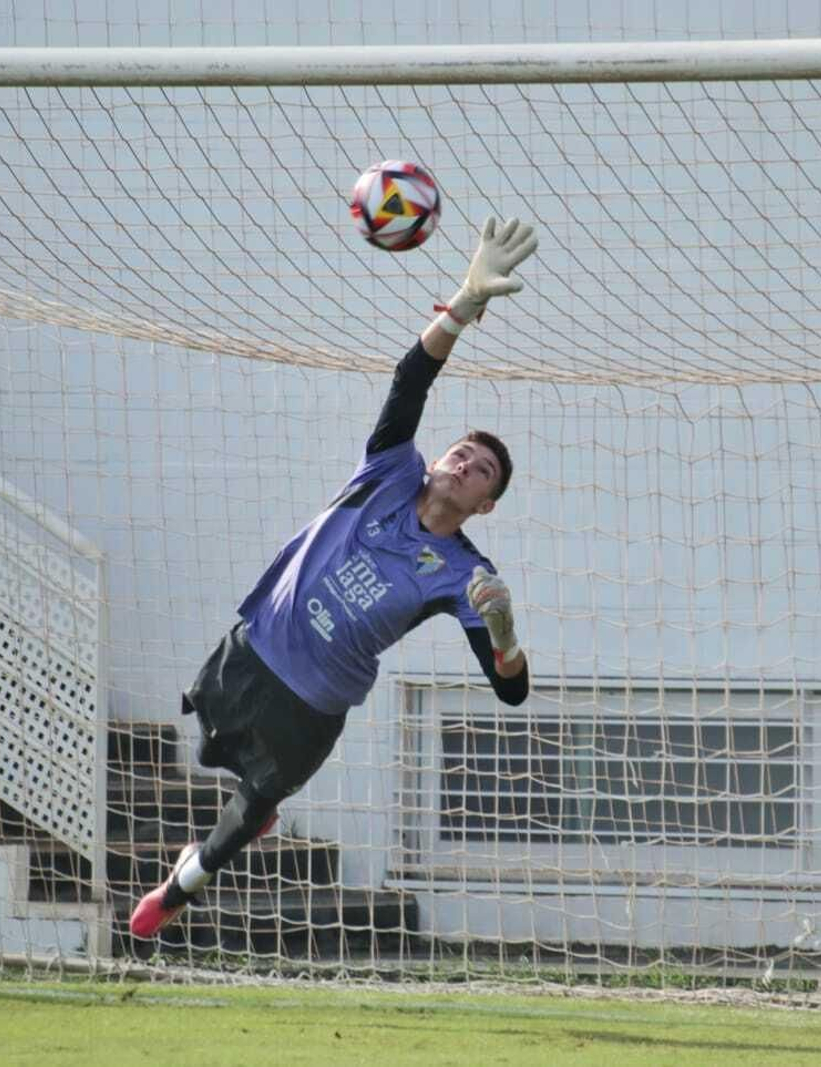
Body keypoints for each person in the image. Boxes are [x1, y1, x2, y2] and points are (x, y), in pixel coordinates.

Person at [130, 216, 539, 939]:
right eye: (460, 451)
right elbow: (411, 378)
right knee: (206, 751)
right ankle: (240, 822)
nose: (464, 462)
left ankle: (179, 886)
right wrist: (466, 299)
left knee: (248, 809)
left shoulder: (467, 573)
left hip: (313, 701)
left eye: (482, 470)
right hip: (254, 645)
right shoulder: (389, 467)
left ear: (487, 503)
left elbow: (511, 690)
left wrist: (503, 630)